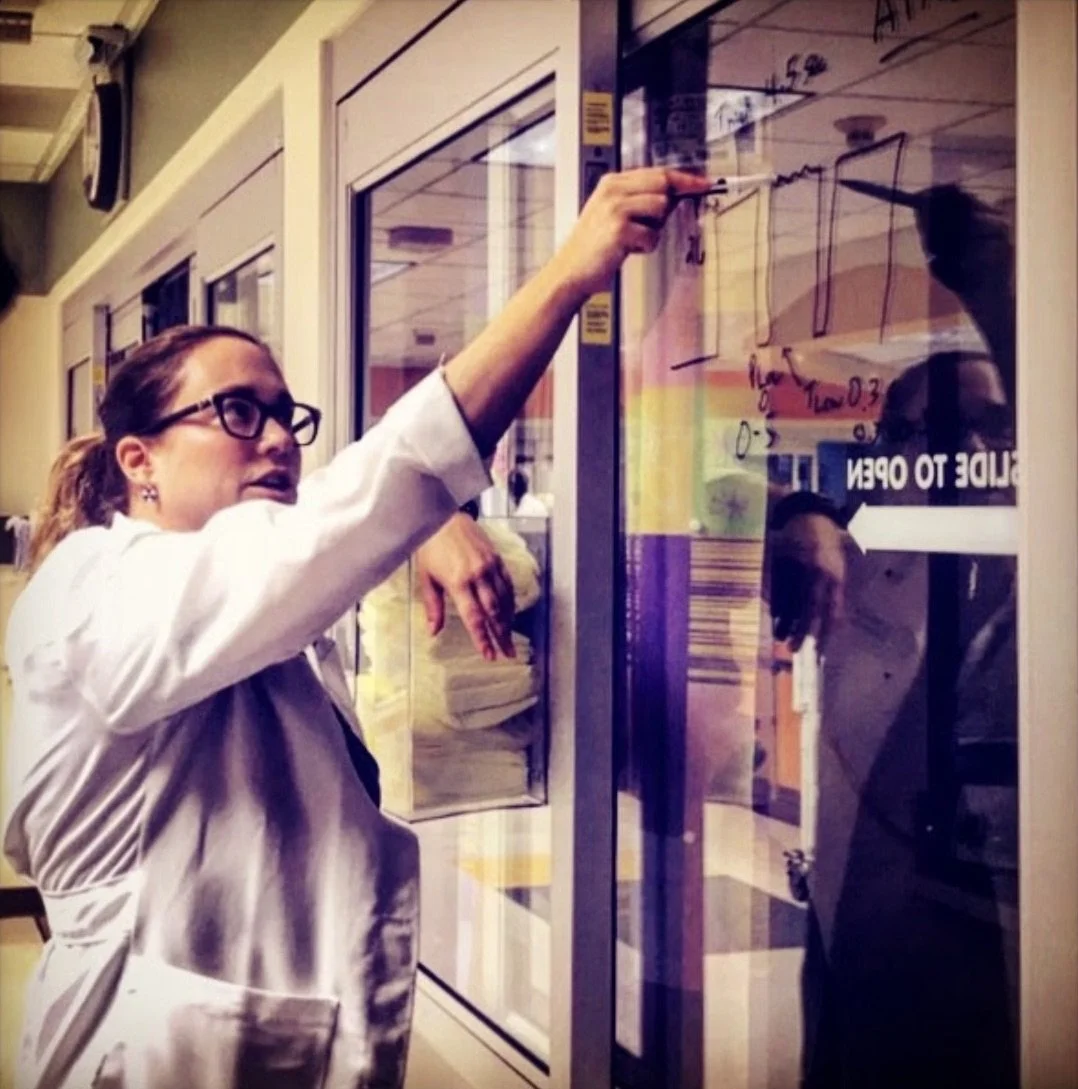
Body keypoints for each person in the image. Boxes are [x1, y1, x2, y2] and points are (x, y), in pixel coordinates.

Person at [1, 166, 711, 1089]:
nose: (279, 439)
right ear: (139, 460)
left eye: (284, 416)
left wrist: (423, 533)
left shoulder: (236, 597)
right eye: (237, 412)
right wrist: (570, 273)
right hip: (143, 1053)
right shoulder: (92, 590)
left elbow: (314, 548)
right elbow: (345, 518)